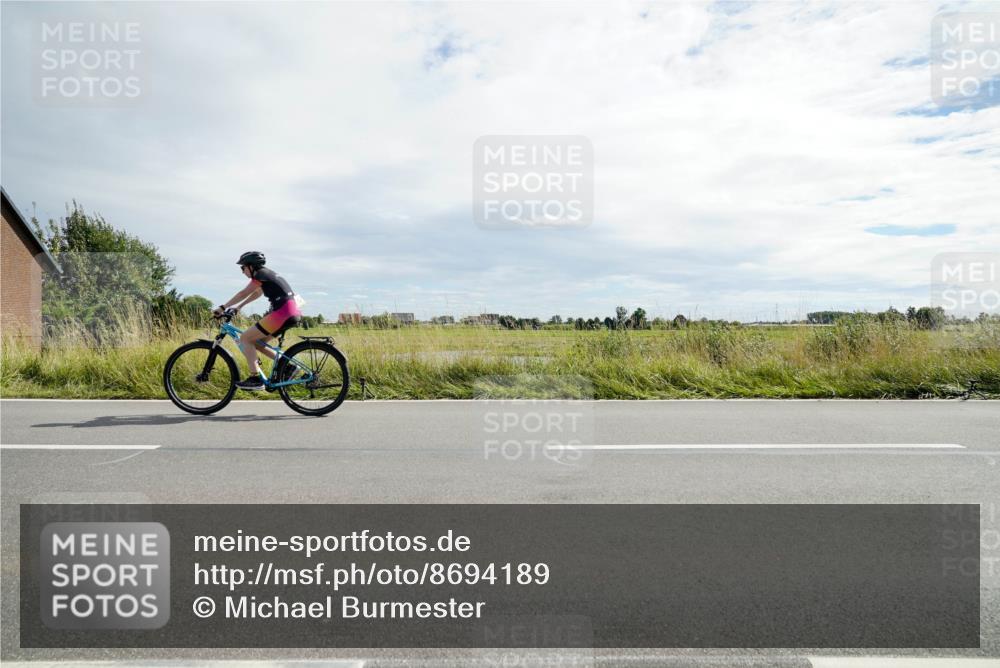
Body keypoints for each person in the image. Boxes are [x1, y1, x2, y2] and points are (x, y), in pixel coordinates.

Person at [214, 251, 302, 391]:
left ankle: (255, 379)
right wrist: (238, 307)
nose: (242, 271)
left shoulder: (260, 274)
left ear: (251, 266)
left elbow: (243, 293)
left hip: (282, 312)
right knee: (257, 343)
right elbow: (257, 293)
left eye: (243, 268)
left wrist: (223, 307)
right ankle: (289, 366)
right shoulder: (266, 275)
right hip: (291, 312)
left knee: (245, 338)